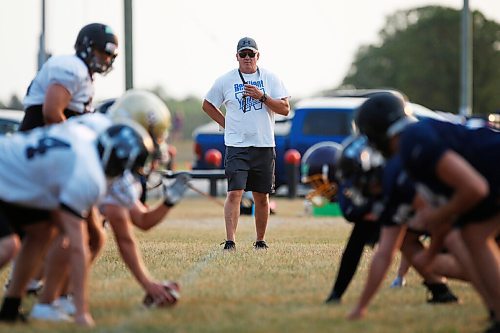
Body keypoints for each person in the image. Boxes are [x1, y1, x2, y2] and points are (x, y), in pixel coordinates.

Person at [29, 90, 190, 322]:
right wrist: (148, 285)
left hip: (41, 175)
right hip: (37, 179)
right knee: (74, 236)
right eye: (151, 136)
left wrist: (169, 201)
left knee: (93, 236)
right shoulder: (107, 149)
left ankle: (46, 292)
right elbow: (126, 232)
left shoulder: (101, 129)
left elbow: (140, 220)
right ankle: (47, 301)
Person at [354, 92, 500, 333]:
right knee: (473, 236)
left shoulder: (412, 142)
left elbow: (475, 188)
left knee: (474, 236)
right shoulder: (411, 145)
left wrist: (437, 215)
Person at [0, 114, 153, 326]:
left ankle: (10, 309)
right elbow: (77, 246)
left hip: (15, 176)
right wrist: (82, 313)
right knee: (7, 247)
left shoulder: (86, 138)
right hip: (7, 175)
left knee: (42, 232)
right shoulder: (89, 176)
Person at [202, 37, 290, 250]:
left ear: (258, 56)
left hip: (264, 144)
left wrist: (262, 97)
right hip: (237, 145)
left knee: (262, 196)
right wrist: (226, 123)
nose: (248, 58)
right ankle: (230, 240)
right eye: (244, 54)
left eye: (252, 54)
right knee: (235, 193)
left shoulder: (270, 78)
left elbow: (285, 108)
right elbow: (207, 104)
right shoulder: (226, 80)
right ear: (237, 57)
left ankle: (260, 240)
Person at [20, 22, 118, 131]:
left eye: (111, 55)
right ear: (87, 46)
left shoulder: (83, 73)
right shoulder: (72, 66)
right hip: (38, 138)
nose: (107, 59)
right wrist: (73, 139)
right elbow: (52, 113)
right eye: (102, 52)